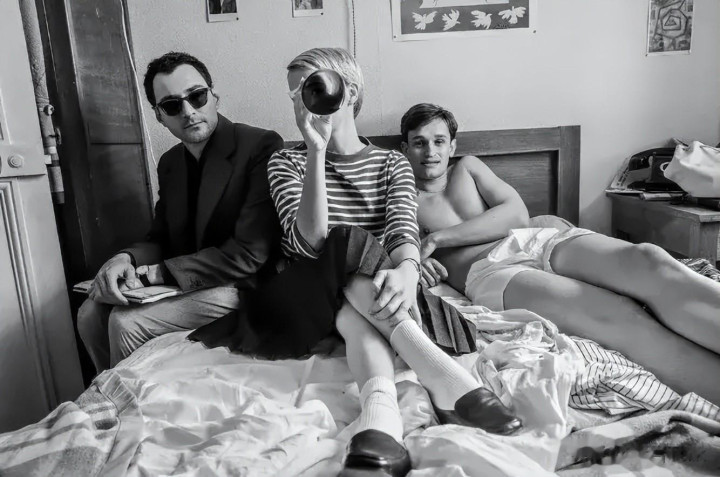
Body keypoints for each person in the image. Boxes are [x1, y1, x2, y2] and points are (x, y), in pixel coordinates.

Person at [189, 49, 521, 477]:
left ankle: (380, 425)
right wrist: (315, 151)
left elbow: (402, 232)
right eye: (294, 93)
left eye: (312, 86)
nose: (303, 99)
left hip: (369, 297)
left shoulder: (392, 162)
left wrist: (408, 270)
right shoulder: (286, 161)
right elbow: (309, 244)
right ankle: (445, 378)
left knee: (353, 308)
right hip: (305, 295)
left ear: (348, 91)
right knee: (345, 241)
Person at [401, 102, 720, 405]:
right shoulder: (400, 199)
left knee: (650, 261)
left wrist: (436, 239)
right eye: (419, 143)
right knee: (615, 314)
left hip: (535, 239)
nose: (430, 151)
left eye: (439, 141)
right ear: (405, 149)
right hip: (491, 273)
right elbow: (389, 255)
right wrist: (412, 261)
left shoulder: (468, 168)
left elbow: (517, 215)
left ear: (452, 146)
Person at [77, 52, 284, 374]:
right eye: (172, 105)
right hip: (188, 283)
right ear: (159, 116)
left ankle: (129, 400)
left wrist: (155, 274)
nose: (188, 112)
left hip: (245, 286)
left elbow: (249, 254)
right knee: (89, 314)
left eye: (197, 97)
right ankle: (109, 392)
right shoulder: (171, 163)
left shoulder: (260, 145)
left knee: (126, 322)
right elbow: (161, 237)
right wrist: (125, 259)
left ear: (214, 96)